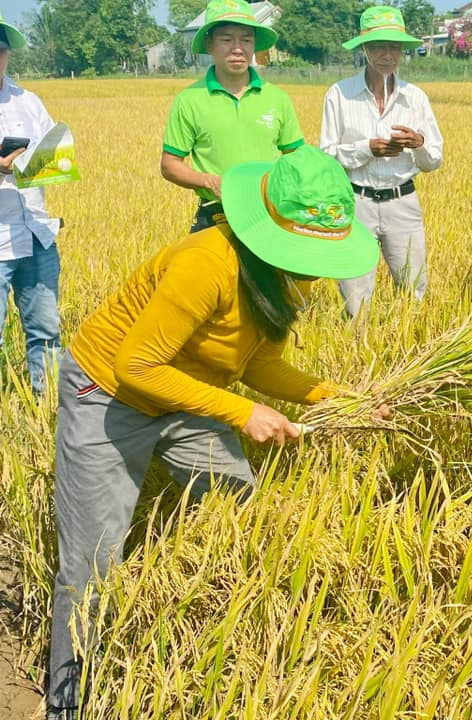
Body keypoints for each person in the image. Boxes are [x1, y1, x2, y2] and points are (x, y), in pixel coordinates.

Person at [45, 146, 381, 720]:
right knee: (91, 562)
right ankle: (65, 706)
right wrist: (241, 413)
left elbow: (254, 361)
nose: (311, 268)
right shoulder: (206, 263)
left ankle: (227, 647)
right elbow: (139, 366)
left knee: (241, 509)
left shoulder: (288, 274)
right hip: (110, 394)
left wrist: (328, 394)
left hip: (191, 391)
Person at [320, 5, 443, 319]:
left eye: (393, 46)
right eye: (378, 46)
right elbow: (327, 156)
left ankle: (411, 353)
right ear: (364, 48)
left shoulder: (415, 97)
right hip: (355, 201)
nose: (387, 54)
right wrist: (367, 149)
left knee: (413, 289)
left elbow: (434, 160)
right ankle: (360, 356)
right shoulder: (339, 94)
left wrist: (418, 144)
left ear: (402, 50)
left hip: (402, 202)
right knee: (354, 291)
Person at [161, 0, 305, 232]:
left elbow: (297, 159)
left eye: (246, 39)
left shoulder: (277, 99)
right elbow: (170, 165)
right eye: (227, 39)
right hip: (216, 214)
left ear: (254, 45)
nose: (238, 48)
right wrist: (211, 182)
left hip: (268, 214)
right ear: (209, 44)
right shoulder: (189, 100)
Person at [0, 13, 63, 395]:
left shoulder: (27, 100)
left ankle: (49, 410)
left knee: (46, 333)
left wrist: (35, 164)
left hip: (37, 233)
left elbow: (55, 153)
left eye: (1, 50)